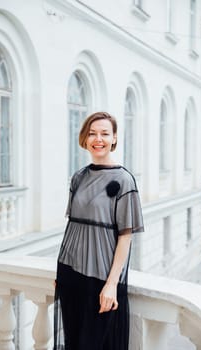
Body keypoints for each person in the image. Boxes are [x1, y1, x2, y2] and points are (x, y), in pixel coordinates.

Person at [53, 111, 144, 350]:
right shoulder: (79, 177)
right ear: (85, 138)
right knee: (74, 343)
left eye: (105, 133)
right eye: (92, 133)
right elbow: (74, 227)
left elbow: (125, 237)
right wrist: (62, 273)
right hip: (71, 274)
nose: (98, 139)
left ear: (114, 139)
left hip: (102, 280)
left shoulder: (123, 180)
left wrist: (112, 284)